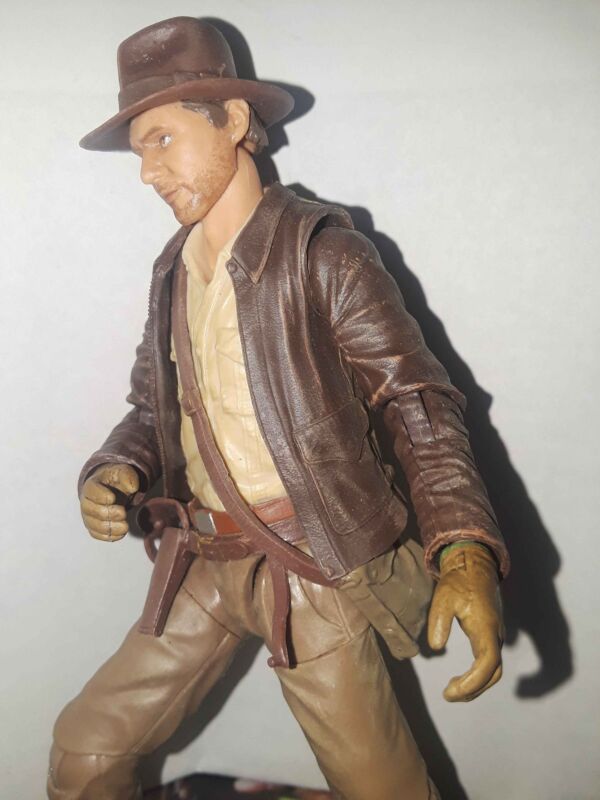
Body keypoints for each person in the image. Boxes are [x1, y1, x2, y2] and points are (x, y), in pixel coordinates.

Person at [48, 16, 510, 800]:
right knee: (86, 752)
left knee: (382, 788)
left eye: (162, 140)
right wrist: (116, 467)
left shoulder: (321, 253)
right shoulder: (174, 270)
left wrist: (463, 549)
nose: (147, 172)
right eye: (139, 151)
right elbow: (152, 407)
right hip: (203, 563)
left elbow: (417, 404)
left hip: (310, 566)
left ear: (233, 120)